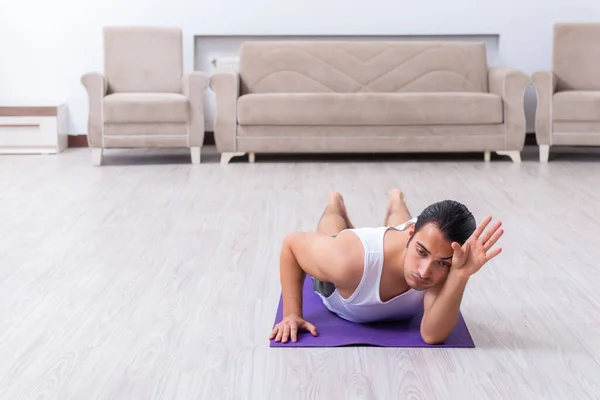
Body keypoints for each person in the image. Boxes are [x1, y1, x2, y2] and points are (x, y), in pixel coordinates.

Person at [269, 189, 504, 345]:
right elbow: (291, 245)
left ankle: (396, 200)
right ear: (410, 235)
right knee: (332, 233)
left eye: (442, 263)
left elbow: (432, 335)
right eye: (421, 253)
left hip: (404, 240)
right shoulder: (346, 260)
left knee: (407, 232)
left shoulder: (447, 257)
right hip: (350, 263)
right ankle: (335, 204)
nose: (424, 273)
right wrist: (291, 314)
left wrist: (460, 275)